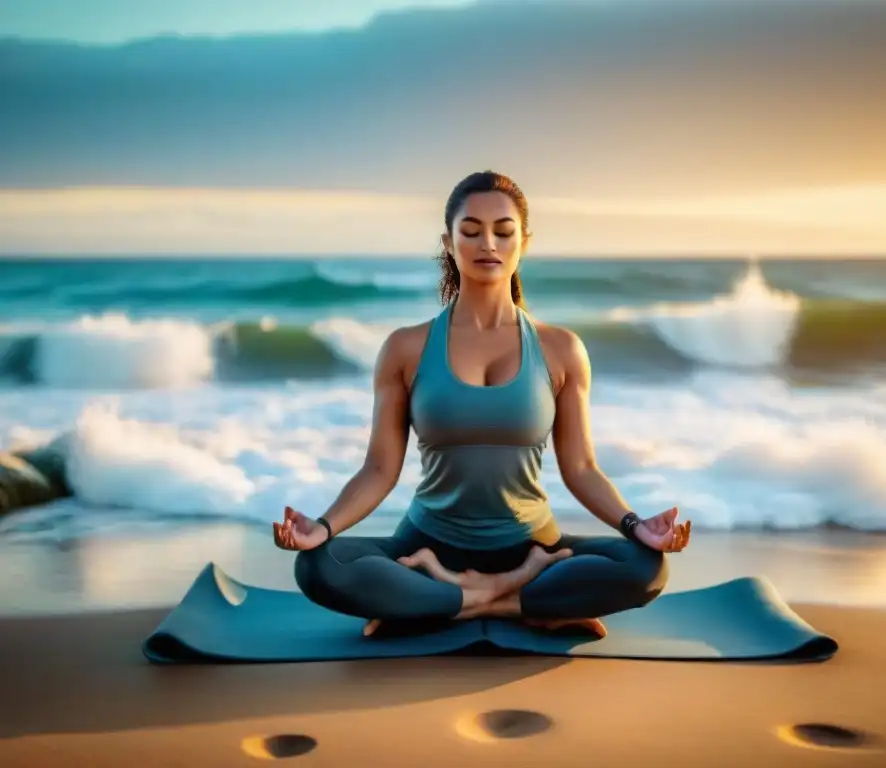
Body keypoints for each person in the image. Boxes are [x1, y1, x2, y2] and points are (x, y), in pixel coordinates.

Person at [273, 170, 691, 638]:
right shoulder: (405, 348)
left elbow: (582, 468)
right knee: (317, 566)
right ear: (449, 243)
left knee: (646, 566)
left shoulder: (561, 349)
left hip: (534, 545)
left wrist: (636, 526)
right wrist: (324, 528)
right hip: (426, 546)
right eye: (470, 231)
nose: (487, 243)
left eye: (503, 231)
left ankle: (448, 599)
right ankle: (517, 596)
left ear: (523, 243)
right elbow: (379, 470)